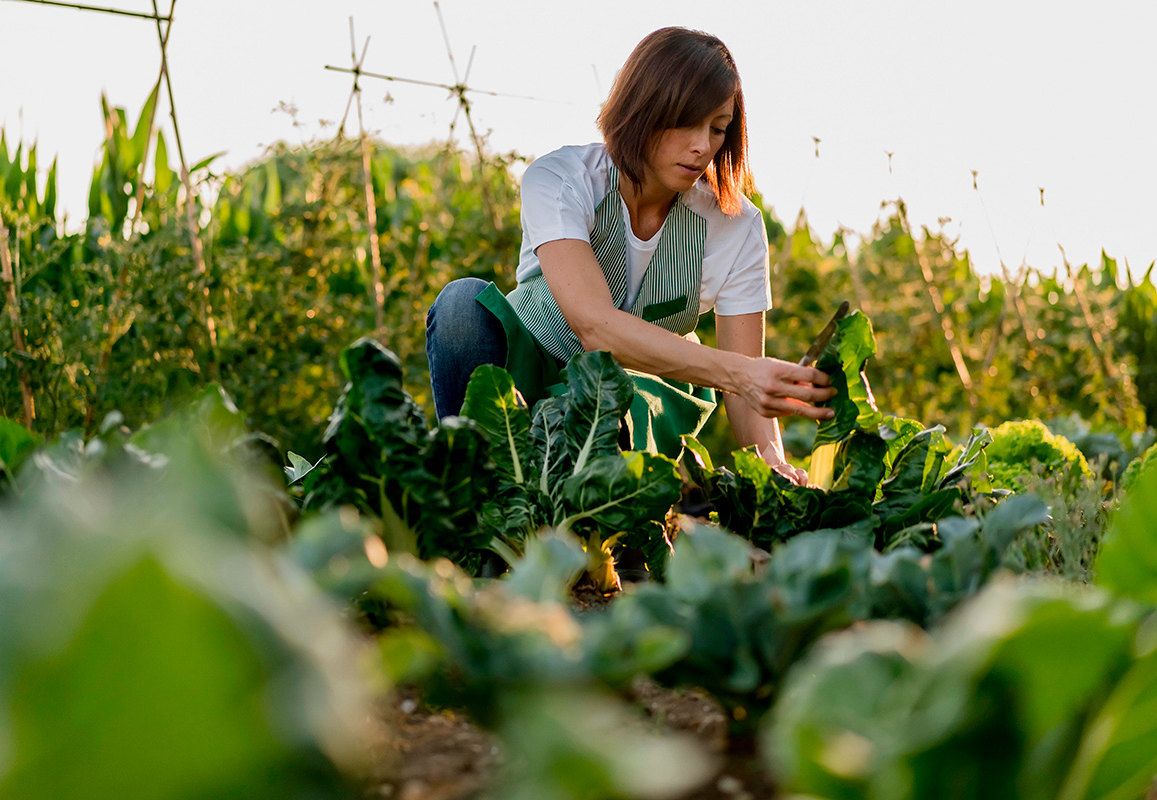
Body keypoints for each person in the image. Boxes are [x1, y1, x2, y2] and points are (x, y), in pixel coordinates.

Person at [425, 26, 834, 485]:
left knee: (617, 395)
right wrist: (743, 374)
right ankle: (474, 491)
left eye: (718, 129)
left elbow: (745, 393)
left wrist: (772, 462)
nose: (702, 146)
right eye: (687, 123)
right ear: (643, 109)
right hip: (531, 367)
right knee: (462, 304)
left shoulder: (736, 226)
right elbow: (594, 325)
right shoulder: (562, 179)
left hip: (638, 401)